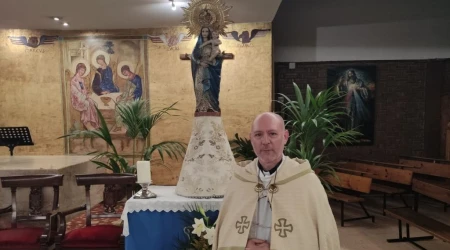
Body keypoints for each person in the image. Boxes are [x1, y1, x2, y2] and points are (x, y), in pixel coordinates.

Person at [213, 112, 340, 250]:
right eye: (258, 135)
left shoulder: (307, 182)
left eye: (272, 134)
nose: (265, 141)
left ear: (285, 137)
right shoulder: (239, 180)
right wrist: (243, 246)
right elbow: (227, 231)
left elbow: (323, 234)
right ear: (251, 139)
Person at [190, 26, 223, 113]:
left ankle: (210, 106)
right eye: (203, 31)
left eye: (206, 31)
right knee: (198, 86)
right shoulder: (198, 45)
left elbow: (218, 55)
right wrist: (199, 62)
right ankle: (200, 106)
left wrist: (218, 55)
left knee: (209, 86)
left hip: (209, 68)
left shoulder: (212, 44)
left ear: (209, 33)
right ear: (201, 33)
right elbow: (193, 56)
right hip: (200, 67)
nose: (204, 33)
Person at [70, 63, 99, 131]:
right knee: (87, 103)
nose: (82, 72)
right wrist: (83, 97)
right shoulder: (74, 80)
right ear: (77, 69)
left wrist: (86, 94)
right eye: (81, 70)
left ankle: (93, 123)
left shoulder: (81, 79)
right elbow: (74, 92)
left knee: (92, 103)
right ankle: (87, 124)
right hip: (77, 99)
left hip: (82, 97)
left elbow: (83, 90)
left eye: (83, 70)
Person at [113, 65, 143, 132]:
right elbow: (125, 91)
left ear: (128, 69)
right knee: (118, 105)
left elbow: (139, 90)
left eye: (125, 71)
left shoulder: (137, 78)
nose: (125, 73)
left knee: (125, 106)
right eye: (123, 73)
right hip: (126, 97)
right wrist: (121, 96)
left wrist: (131, 96)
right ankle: (119, 125)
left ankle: (126, 126)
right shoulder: (128, 79)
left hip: (133, 98)